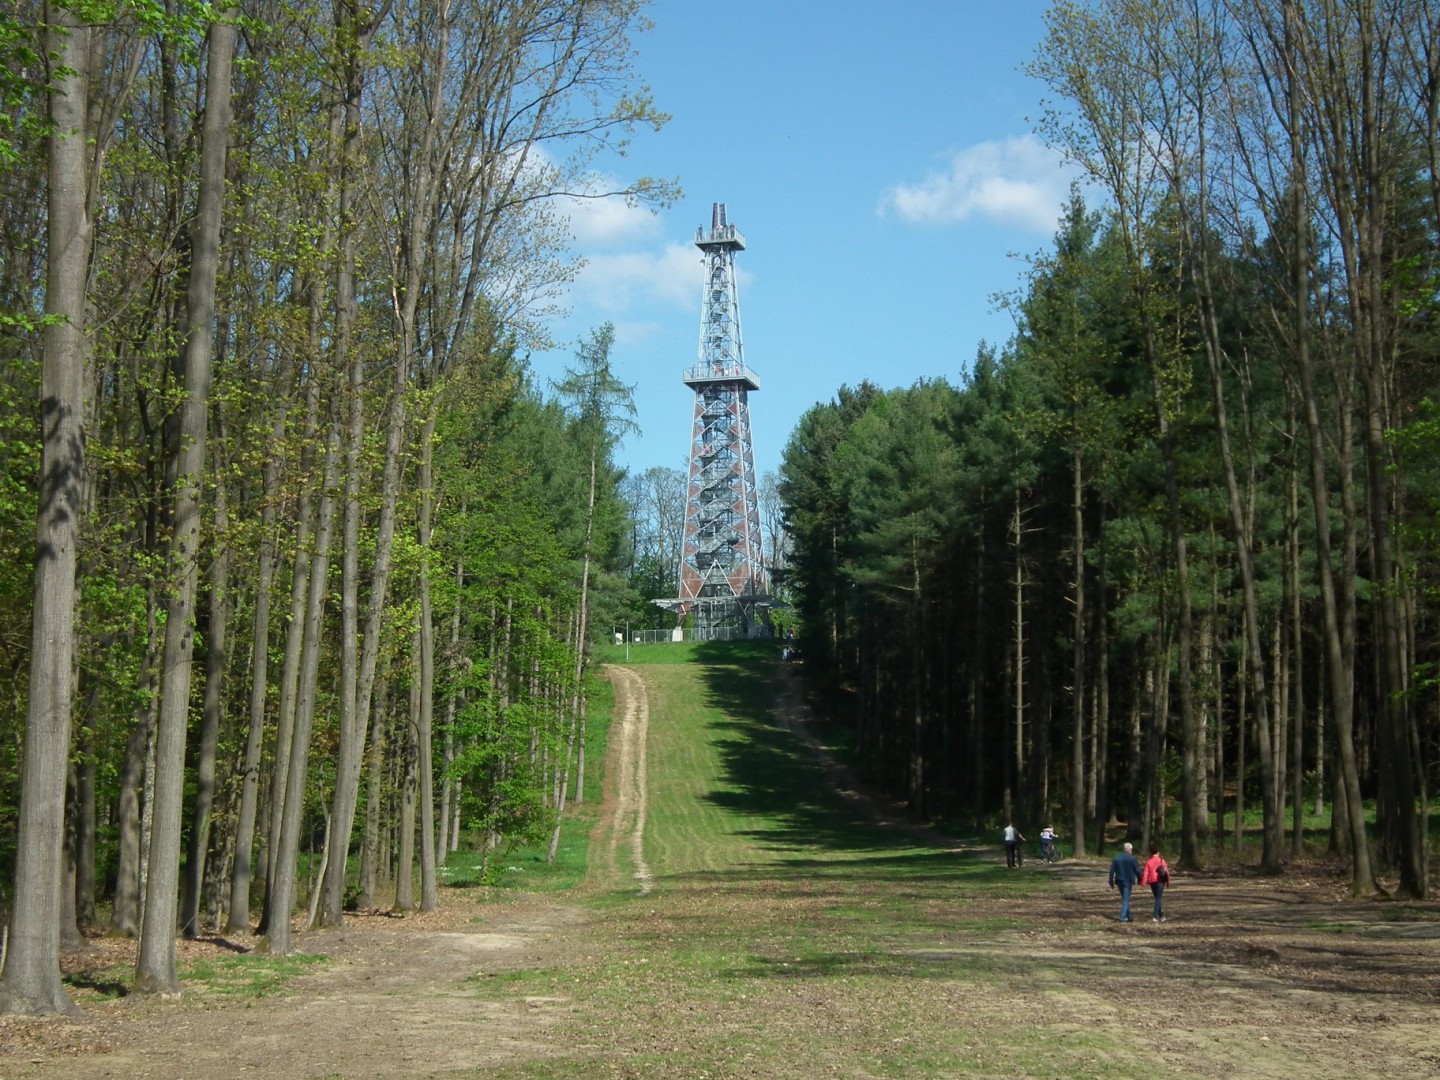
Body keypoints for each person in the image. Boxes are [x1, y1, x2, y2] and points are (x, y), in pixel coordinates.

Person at [1107, 841, 1143, 922]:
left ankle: (1129, 916)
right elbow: (1137, 871)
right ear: (1130, 849)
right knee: (1126, 899)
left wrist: (1111, 881)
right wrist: (1140, 879)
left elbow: (1112, 871)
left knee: (1125, 898)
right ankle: (1122, 917)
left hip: (1119, 880)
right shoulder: (1132, 859)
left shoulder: (1116, 858)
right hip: (1128, 881)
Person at [1142, 845, 1171, 923]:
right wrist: (1168, 882)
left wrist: (1143, 883)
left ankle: (1161, 916)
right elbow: (1166, 872)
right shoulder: (1162, 860)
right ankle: (1155, 916)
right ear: (1158, 852)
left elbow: (1145, 873)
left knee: (1157, 898)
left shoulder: (1148, 861)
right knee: (1158, 898)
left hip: (1152, 881)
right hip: (1160, 881)